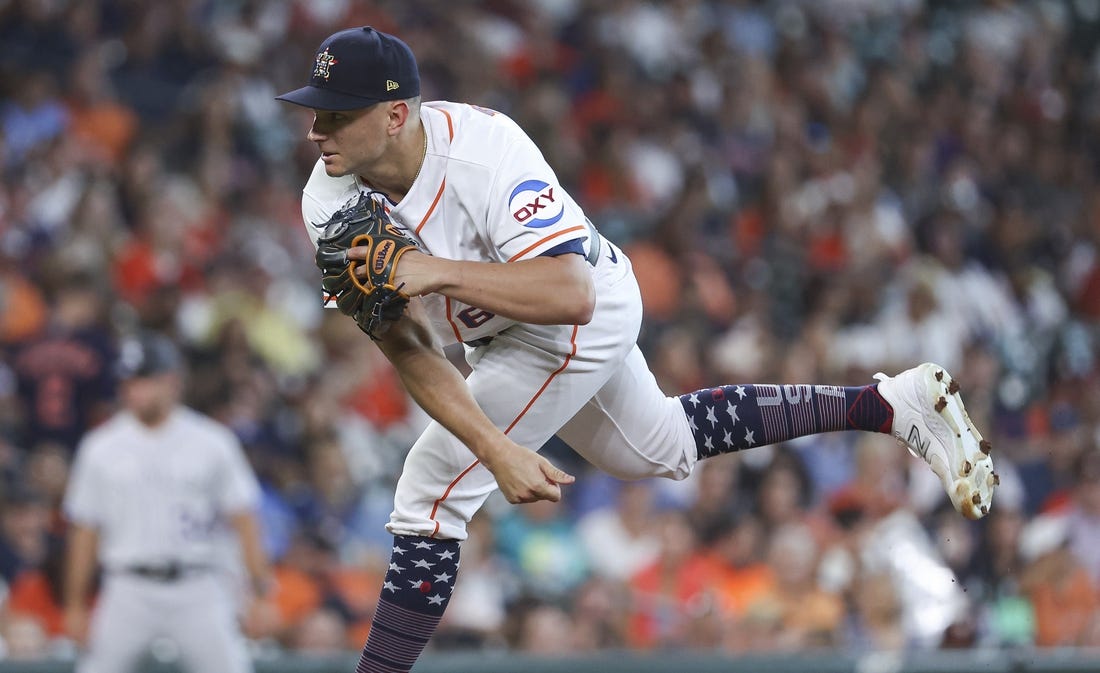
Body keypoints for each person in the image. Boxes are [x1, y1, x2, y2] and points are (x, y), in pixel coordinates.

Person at [276, 26, 997, 672]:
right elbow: (409, 348)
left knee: (428, 490)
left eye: (338, 112)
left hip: (576, 310)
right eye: (316, 108)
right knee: (662, 448)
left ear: (397, 114)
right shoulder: (328, 201)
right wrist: (496, 450)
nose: (316, 129)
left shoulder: (483, 152)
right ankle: (887, 405)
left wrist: (437, 272)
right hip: (500, 335)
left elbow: (569, 293)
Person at [61, 331, 272, 673]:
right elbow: (84, 528)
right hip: (127, 588)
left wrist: (260, 593)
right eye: (128, 381)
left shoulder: (212, 442)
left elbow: (244, 518)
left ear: (171, 381)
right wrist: (74, 604)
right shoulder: (100, 447)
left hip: (198, 586)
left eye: (143, 380)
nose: (133, 390)